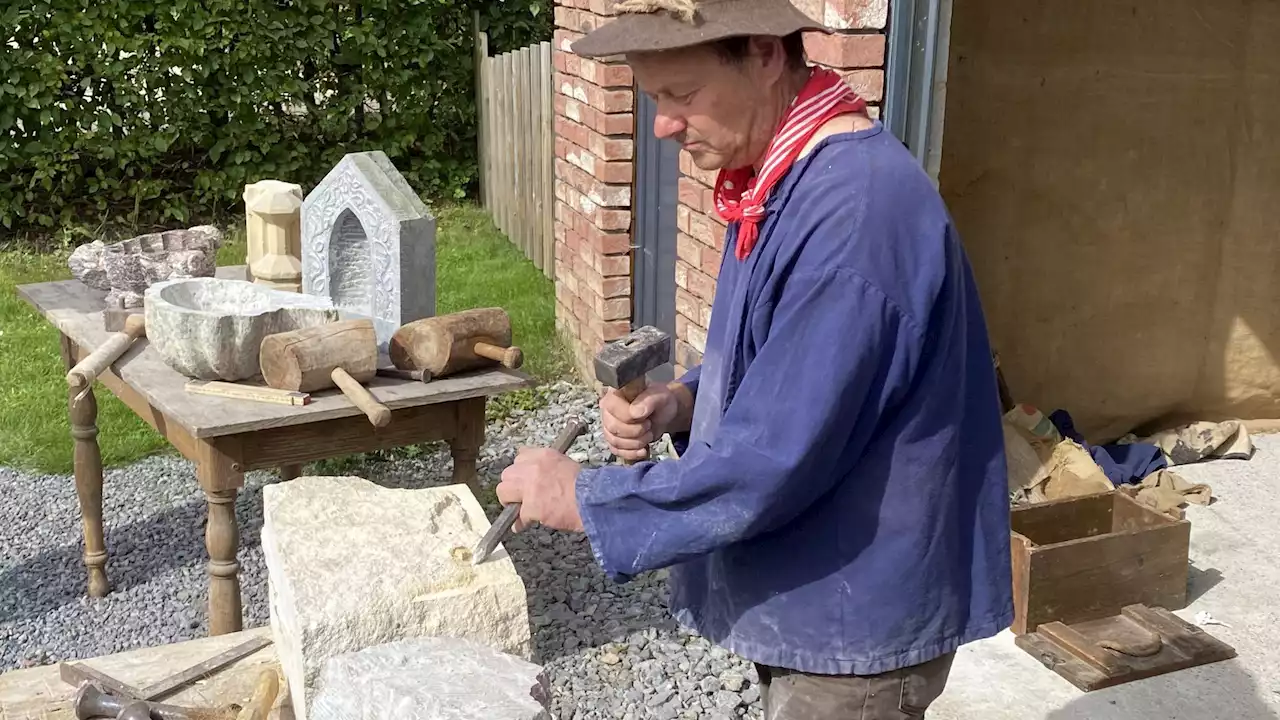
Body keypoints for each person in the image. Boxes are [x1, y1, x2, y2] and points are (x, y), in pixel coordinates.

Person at [495, 0, 1014, 716]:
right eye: (653, 99)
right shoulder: (784, 179)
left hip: (853, 625)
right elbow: (791, 362)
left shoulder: (853, 217)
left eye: (681, 95)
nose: (664, 125)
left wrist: (582, 496)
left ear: (767, 54)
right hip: (822, 591)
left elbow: (771, 460)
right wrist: (682, 402)